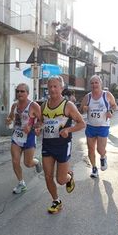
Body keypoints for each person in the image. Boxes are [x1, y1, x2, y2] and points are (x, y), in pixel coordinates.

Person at [37, 76, 85, 214]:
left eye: (55, 86)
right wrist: (38, 128)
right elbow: (41, 122)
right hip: (48, 145)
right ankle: (56, 200)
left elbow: (82, 123)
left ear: (61, 88)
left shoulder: (68, 105)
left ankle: (69, 176)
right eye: (50, 86)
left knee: (61, 180)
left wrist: (68, 130)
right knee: (47, 176)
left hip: (63, 145)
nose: (52, 89)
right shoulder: (44, 106)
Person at [5, 83, 43, 194]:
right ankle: (21, 183)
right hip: (16, 136)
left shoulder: (34, 106)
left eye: (22, 91)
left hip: (29, 137)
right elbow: (11, 117)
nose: (19, 93)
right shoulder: (14, 106)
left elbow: (42, 121)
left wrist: (32, 126)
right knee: (15, 161)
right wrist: (8, 120)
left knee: (28, 163)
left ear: (27, 93)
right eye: (17, 91)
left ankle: (36, 162)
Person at [80, 75, 117, 179]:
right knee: (90, 149)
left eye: (96, 83)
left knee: (100, 149)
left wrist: (111, 111)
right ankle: (94, 168)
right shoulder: (88, 97)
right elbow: (80, 109)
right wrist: (84, 108)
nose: (94, 85)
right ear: (90, 85)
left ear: (100, 84)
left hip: (103, 126)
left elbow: (114, 105)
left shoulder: (107, 95)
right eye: (92, 83)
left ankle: (103, 156)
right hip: (91, 126)